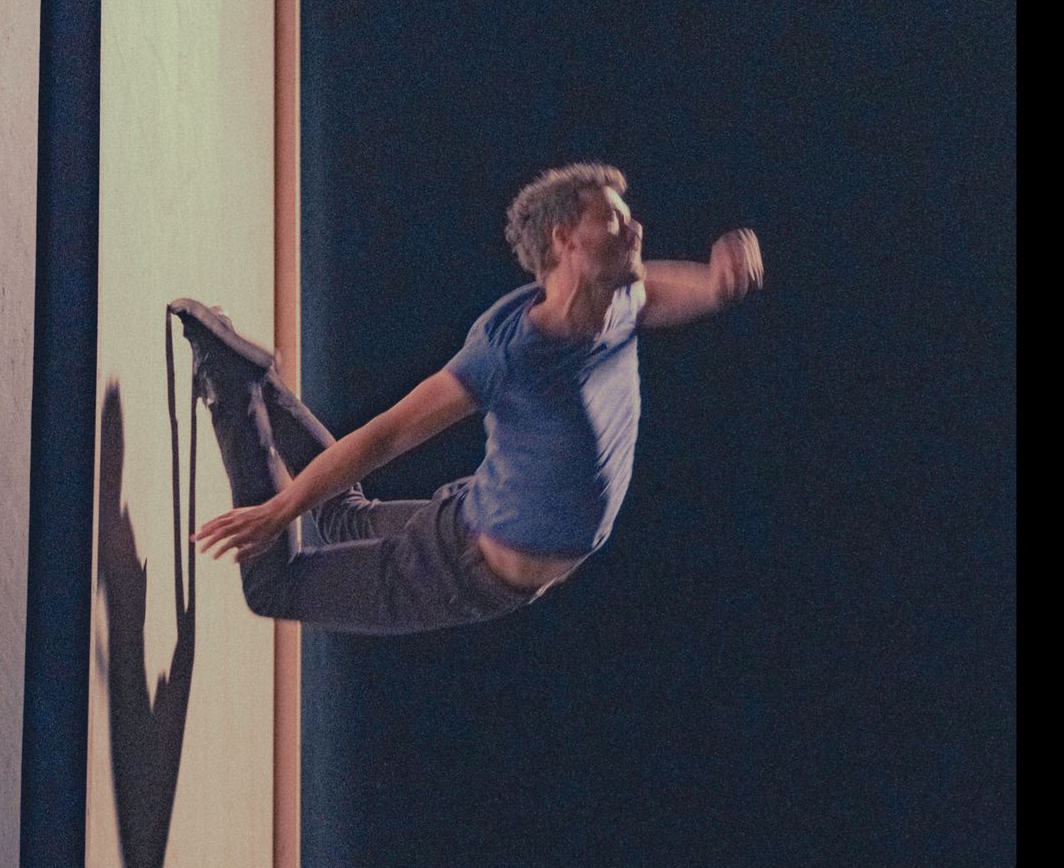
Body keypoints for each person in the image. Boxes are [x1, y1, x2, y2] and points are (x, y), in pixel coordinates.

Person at [171, 161, 764, 636]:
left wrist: (713, 285)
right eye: (613, 220)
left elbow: (659, 290)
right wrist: (277, 513)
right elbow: (388, 435)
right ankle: (233, 385)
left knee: (343, 517)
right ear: (566, 242)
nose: (634, 229)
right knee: (273, 588)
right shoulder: (511, 355)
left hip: (475, 513)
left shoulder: (620, 303)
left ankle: (255, 381)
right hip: (462, 569)